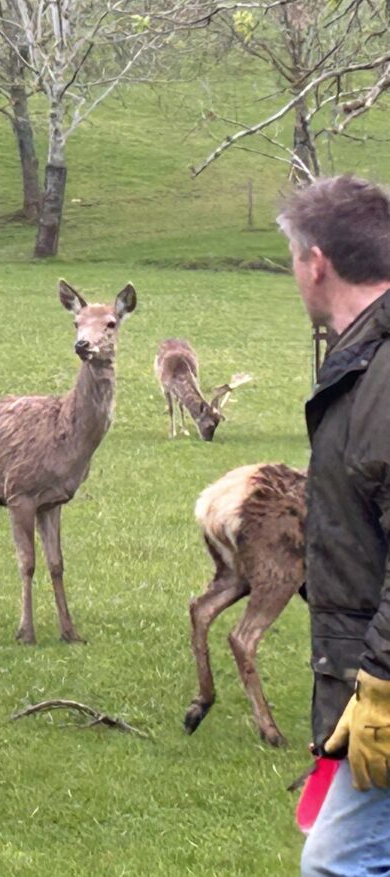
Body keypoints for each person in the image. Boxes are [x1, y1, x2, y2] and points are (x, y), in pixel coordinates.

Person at [279, 175, 390, 875]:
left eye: (291, 258)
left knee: (342, 861)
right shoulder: (360, 361)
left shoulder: (383, 373)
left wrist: (379, 678)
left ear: (316, 262)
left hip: (380, 683)